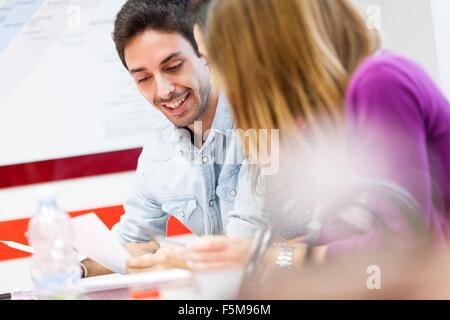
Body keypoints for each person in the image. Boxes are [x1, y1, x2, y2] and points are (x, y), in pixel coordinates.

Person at [185, 0, 450, 271]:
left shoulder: (379, 82)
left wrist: (268, 256)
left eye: (213, 61)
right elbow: (342, 235)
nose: (216, 81)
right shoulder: (326, 114)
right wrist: (255, 254)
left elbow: (401, 242)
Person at [82, 0, 253, 277]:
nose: (163, 91)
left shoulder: (260, 124)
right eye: (143, 78)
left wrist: (171, 258)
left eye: (173, 66)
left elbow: (243, 246)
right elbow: (132, 242)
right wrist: (76, 269)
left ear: (205, 52)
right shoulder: (157, 153)